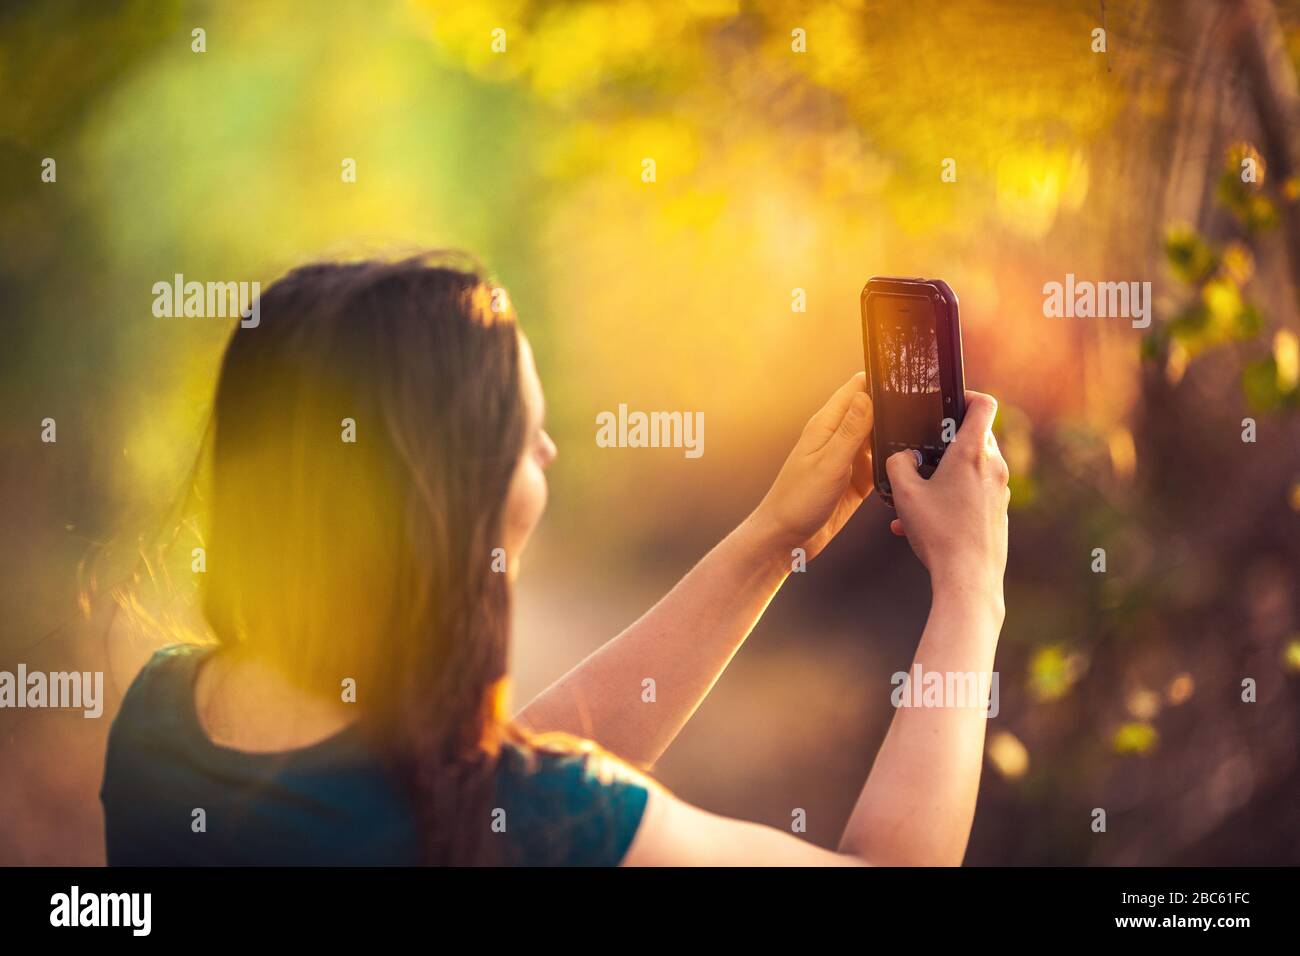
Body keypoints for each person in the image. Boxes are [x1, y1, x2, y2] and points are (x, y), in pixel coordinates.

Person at [101, 253, 1010, 866]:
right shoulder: (550, 816)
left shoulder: (164, 720)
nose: (549, 458)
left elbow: (471, 800)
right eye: (528, 437)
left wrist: (776, 539)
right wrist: (971, 588)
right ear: (447, 497)